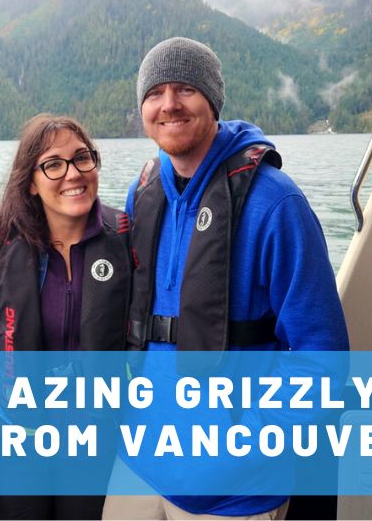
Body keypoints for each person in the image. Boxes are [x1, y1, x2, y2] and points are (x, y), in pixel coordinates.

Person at [102, 37, 349, 520]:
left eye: (186, 89)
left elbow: (323, 361)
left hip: (233, 494)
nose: (169, 104)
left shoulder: (276, 204)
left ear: (213, 100)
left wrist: (245, 445)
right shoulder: (143, 193)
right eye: (155, 93)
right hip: (137, 468)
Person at [0, 114, 132, 520]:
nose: (72, 174)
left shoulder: (126, 240)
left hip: (94, 447)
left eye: (83, 158)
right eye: (53, 164)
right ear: (31, 180)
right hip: (14, 444)